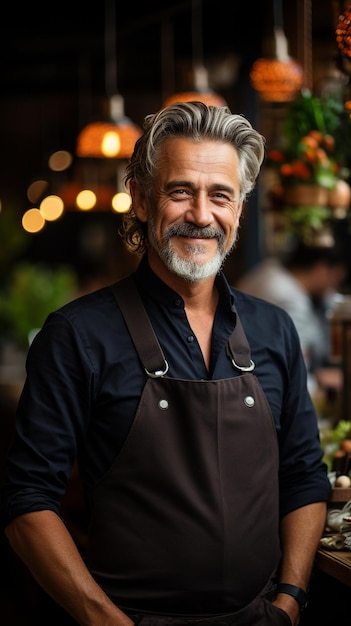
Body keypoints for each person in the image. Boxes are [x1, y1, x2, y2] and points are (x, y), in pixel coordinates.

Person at [0, 101, 331, 626]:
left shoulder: (274, 330)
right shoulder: (78, 335)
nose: (202, 215)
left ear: (240, 209)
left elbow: (305, 476)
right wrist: (104, 621)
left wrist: (290, 601)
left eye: (220, 195)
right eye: (181, 191)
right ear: (142, 200)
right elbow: (26, 503)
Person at [236, 243, 347, 394]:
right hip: (255, 390)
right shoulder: (291, 299)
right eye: (336, 279)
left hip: (238, 377)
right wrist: (320, 384)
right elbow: (296, 374)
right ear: (321, 269)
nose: (334, 288)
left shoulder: (267, 270)